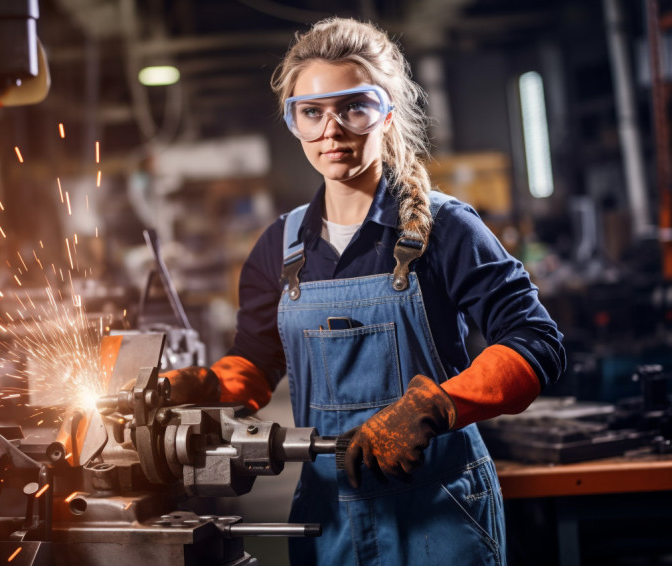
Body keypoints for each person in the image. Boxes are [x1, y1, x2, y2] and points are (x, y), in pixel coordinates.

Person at [163, 17, 565, 566]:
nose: (332, 130)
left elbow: (536, 341)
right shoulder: (278, 248)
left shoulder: (443, 229)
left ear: (386, 113)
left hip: (441, 515)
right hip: (328, 521)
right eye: (312, 112)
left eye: (353, 107)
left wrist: (437, 406)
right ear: (294, 123)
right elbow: (258, 362)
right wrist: (206, 385)